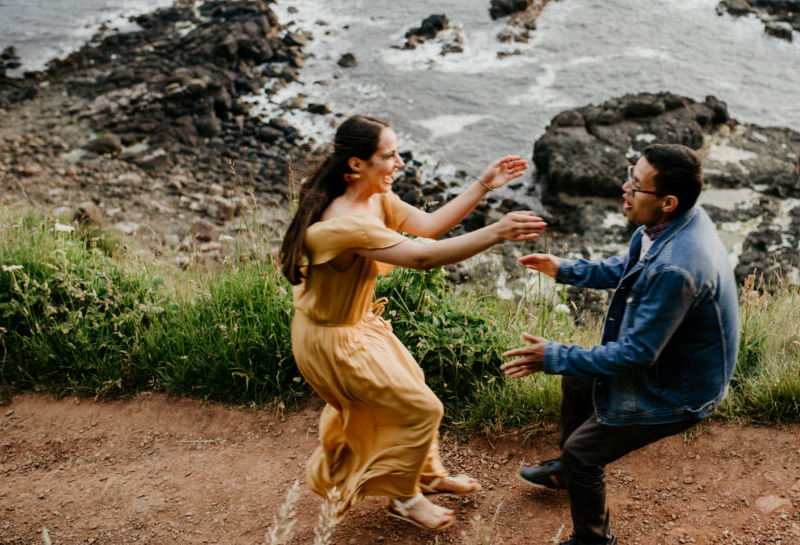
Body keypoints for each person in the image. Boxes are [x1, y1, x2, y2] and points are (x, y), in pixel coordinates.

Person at [279, 115, 546, 531]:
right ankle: (404, 499)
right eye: (389, 155)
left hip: (358, 325)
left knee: (413, 389)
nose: (400, 162)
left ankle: (426, 473)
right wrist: (496, 231)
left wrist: (485, 183)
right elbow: (422, 258)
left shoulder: (375, 200)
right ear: (356, 165)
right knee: (420, 407)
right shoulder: (344, 224)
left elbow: (429, 228)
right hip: (330, 339)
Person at [500, 143, 739, 545]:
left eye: (636, 184)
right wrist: (565, 269)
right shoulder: (670, 225)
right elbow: (629, 268)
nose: (625, 188)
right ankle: (566, 473)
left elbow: (636, 355)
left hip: (681, 391)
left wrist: (553, 355)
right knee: (577, 379)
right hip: (670, 365)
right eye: (631, 174)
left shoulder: (676, 267)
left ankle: (593, 537)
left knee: (583, 451)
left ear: (667, 201)